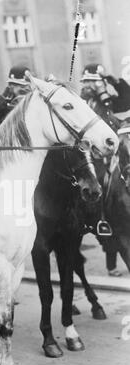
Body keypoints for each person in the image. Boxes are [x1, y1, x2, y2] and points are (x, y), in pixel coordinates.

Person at [80, 63, 126, 277]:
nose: (90, 85)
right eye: (87, 81)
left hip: (114, 151)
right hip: (93, 156)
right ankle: (101, 222)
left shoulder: (107, 101)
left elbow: (127, 97)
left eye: (93, 81)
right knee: (97, 186)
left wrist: (110, 80)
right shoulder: (81, 103)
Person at [0, 65, 32, 142]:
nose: (26, 89)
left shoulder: (31, 104)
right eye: (21, 86)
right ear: (11, 86)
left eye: (28, 86)